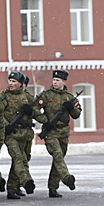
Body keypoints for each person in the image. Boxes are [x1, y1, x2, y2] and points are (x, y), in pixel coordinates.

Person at [33, 69, 81, 198]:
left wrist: (71, 108)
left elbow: (77, 114)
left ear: (63, 82)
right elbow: (34, 108)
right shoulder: (46, 95)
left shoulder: (69, 97)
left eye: (58, 80)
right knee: (58, 155)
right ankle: (67, 178)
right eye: (54, 80)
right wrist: (45, 121)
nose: (55, 82)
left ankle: (53, 188)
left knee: (58, 159)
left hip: (64, 131)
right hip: (51, 131)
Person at [0, 71, 42, 199]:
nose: (11, 84)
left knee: (24, 159)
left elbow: (36, 111)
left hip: (26, 133)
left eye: (14, 82)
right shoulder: (4, 96)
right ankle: (26, 181)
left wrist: (34, 113)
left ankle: (13, 188)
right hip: (11, 133)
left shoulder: (26, 96)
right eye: (10, 81)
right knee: (18, 158)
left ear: (21, 84)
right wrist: (6, 125)